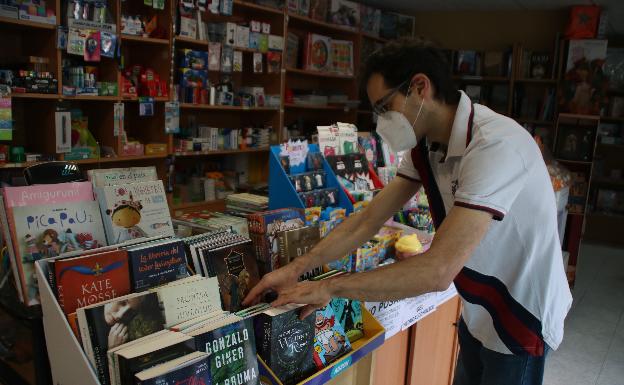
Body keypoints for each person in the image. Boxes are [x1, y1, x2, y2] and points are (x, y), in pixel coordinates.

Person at [244, 38, 572, 385]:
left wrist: (333, 288)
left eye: (385, 106)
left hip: (520, 311)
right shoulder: (427, 147)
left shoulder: (494, 144)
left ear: (420, 87)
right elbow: (368, 220)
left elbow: (438, 270)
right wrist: (297, 268)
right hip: (479, 307)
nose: (382, 121)